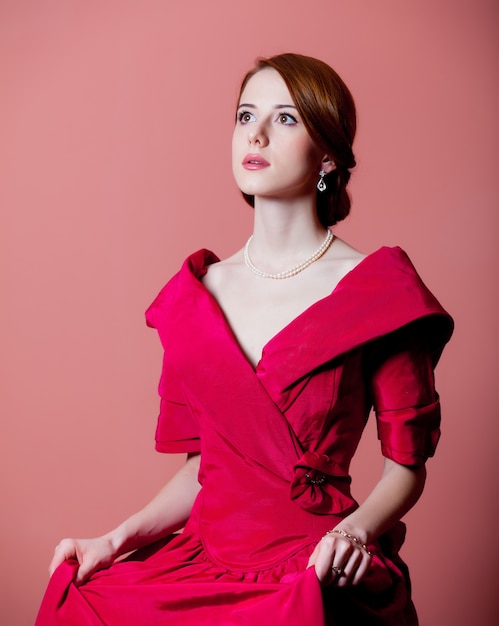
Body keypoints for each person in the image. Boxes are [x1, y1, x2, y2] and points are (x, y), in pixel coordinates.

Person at [35, 53, 453, 626]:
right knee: (80, 602)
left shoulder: (380, 291)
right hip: (204, 562)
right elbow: (204, 468)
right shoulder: (194, 297)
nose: (254, 133)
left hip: (315, 561)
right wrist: (112, 540)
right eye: (244, 115)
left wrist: (352, 537)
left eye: (285, 119)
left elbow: (406, 466)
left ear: (327, 154)